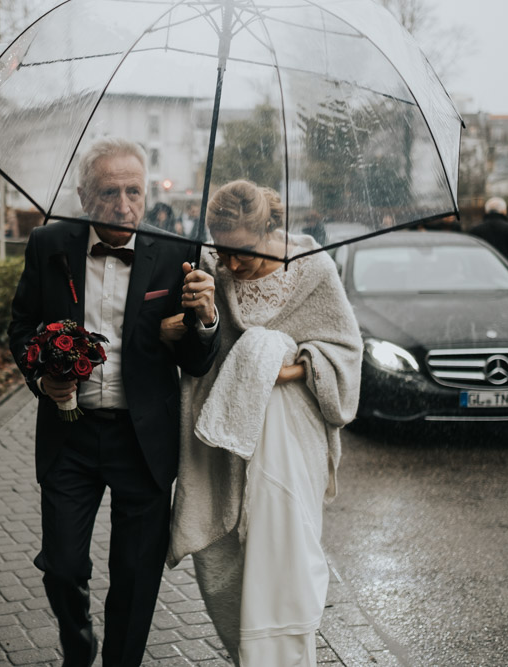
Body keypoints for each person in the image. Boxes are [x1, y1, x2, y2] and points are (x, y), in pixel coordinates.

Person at [7, 138, 221, 667]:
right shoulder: (48, 244)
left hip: (143, 440)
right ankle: (77, 641)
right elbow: (20, 327)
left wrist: (205, 318)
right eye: (109, 192)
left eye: (134, 191)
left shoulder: (178, 254)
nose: (124, 205)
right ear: (84, 195)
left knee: (134, 577)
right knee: (61, 564)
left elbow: (196, 361)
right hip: (69, 436)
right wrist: (41, 377)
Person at [163, 180, 363, 665]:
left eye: (243, 253)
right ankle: (246, 654)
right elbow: (203, 360)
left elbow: (346, 351)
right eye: (223, 252)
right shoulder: (209, 272)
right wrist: (198, 317)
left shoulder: (314, 270)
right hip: (228, 444)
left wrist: (289, 368)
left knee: (285, 548)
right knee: (230, 562)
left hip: (293, 437)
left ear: (269, 229)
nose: (232, 264)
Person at [468, 197, 508, 274]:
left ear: (486, 211)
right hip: (507, 277)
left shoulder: (475, 231)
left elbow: (471, 259)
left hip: (482, 276)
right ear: (504, 211)